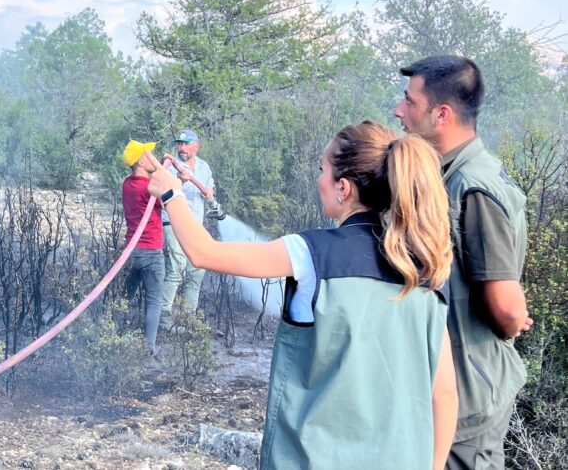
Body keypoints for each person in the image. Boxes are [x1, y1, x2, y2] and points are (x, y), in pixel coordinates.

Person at [140, 121, 458, 469]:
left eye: (322, 170)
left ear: (343, 188)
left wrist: (171, 194)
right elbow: (443, 394)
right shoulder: (425, 269)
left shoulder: (310, 253)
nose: (318, 180)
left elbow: (204, 253)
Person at [396, 55, 531, 469]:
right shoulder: (452, 176)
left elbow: (507, 308)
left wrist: (511, 317)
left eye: (409, 102)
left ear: (442, 114)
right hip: (455, 391)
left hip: (468, 401)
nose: (399, 111)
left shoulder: (470, 187)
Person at [159, 129, 224, 331]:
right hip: (173, 223)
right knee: (176, 268)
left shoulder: (204, 168)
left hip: (195, 225)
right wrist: (182, 180)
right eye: (179, 144)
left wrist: (210, 195)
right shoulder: (169, 166)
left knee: (197, 269)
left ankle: (188, 317)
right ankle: (163, 318)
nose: (182, 148)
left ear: (197, 146)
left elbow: (209, 190)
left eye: (186, 144)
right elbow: (163, 193)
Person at [121, 139, 165, 361]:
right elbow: (171, 197)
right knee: (154, 301)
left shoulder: (128, 184)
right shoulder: (148, 188)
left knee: (124, 297)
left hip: (132, 251)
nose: (153, 158)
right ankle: (150, 349)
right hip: (150, 251)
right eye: (149, 154)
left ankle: (115, 337)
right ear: (140, 160)